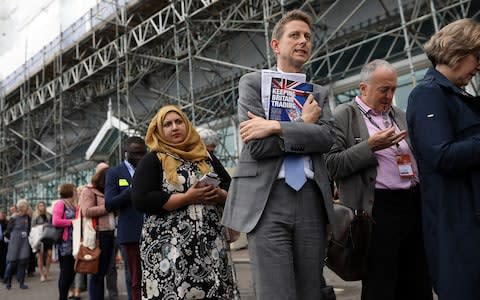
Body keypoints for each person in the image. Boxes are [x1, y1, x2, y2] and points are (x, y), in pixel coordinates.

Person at [221, 10, 337, 300]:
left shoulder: (319, 94)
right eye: (294, 35)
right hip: (267, 200)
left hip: (312, 199)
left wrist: (274, 127)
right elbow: (258, 147)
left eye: (308, 37)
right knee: (276, 292)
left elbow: (327, 139)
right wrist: (303, 126)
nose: (303, 41)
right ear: (276, 45)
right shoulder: (252, 84)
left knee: (309, 291)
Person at [325, 59, 432, 300]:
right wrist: (370, 147)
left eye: (393, 89)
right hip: (376, 211)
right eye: (383, 89)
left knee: (417, 279)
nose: (389, 95)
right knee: (381, 283)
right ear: (363, 88)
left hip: (412, 204)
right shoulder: (345, 115)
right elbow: (330, 165)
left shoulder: (399, 115)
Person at [406, 19, 480, 300]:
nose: (478, 66)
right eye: (477, 57)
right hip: (458, 233)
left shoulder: (459, 96)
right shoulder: (427, 95)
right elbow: (441, 154)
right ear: (459, 52)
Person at [132, 105, 237, 299]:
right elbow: (141, 199)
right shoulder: (153, 159)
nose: (174, 127)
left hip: (210, 244)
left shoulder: (205, 156)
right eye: (168, 124)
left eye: (179, 122)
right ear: (159, 130)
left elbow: (231, 186)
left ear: (187, 125)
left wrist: (220, 195)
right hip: (169, 248)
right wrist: (187, 198)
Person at [105, 136, 147, 300]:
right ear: (126, 153)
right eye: (135, 153)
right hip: (131, 234)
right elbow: (109, 204)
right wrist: (131, 190)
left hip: (155, 231)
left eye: (143, 153)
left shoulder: (150, 168)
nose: (140, 157)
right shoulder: (115, 173)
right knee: (134, 278)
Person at [79, 162, 115, 300]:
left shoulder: (108, 190)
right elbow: (86, 211)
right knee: (95, 272)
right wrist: (108, 206)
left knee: (103, 271)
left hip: (110, 233)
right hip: (99, 235)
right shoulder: (88, 190)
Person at [52, 183, 78, 300]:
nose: (76, 192)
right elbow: (56, 221)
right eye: (75, 190)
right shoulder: (60, 204)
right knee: (65, 273)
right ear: (70, 191)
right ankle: (62, 297)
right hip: (65, 244)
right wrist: (72, 222)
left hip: (74, 243)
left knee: (71, 272)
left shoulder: (72, 205)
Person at [3, 199, 31, 290]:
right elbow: (7, 231)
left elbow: (29, 229)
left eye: (26, 206)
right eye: (25, 206)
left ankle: (21, 282)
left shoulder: (27, 217)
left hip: (24, 242)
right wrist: (13, 238)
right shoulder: (13, 218)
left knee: (22, 262)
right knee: (12, 262)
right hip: (14, 242)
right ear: (21, 207)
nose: (26, 208)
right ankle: (8, 281)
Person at [31, 200, 53, 282]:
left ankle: (47, 272)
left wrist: (48, 225)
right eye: (40, 205)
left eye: (43, 205)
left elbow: (53, 224)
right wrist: (42, 225)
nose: (41, 207)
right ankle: (42, 274)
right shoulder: (35, 216)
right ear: (37, 207)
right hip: (39, 238)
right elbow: (32, 227)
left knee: (50, 254)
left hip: (48, 236)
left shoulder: (49, 215)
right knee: (39, 255)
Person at [0, 210, 8, 281]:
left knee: (4, 259)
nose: (1, 215)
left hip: (4, 243)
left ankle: (3, 275)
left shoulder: (6, 222)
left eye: (2, 213)